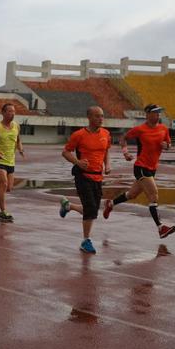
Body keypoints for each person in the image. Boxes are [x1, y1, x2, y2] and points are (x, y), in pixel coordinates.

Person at [103, 104, 175, 239]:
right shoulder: (140, 129)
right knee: (153, 195)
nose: (158, 115)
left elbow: (168, 144)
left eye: (159, 113)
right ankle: (161, 228)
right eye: (155, 113)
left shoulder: (163, 129)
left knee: (131, 195)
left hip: (153, 168)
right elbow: (123, 138)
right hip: (141, 167)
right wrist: (125, 153)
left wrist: (167, 146)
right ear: (147, 114)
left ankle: (111, 203)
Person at [59, 106, 111, 254]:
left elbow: (106, 151)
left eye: (102, 116)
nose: (100, 119)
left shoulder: (106, 134)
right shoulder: (79, 135)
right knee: (90, 209)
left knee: (92, 209)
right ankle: (86, 241)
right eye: (97, 116)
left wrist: (107, 164)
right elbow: (65, 152)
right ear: (89, 117)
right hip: (82, 175)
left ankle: (68, 206)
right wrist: (78, 162)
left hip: (98, 176)